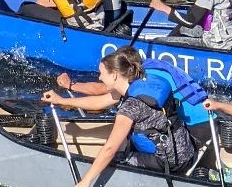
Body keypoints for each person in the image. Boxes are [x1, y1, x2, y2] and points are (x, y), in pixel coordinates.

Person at [69, 49, 196, 187]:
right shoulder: (146, 82)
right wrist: (61, 101)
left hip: (170, 162)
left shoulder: (131, 106)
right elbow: (99, 101)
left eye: (101, 73)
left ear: (114, 75)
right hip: (187, 151)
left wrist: (85, 181)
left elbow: (109, 149)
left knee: (116, 158)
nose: (99, 77)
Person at [46, 47, 215, 158]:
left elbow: (102, 95)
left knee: (136, 134)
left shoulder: (144, 82)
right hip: (210, 121)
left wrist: (68, 90)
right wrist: (66, 97)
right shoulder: (149, 69)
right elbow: (104, 98)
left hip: (196, 130)